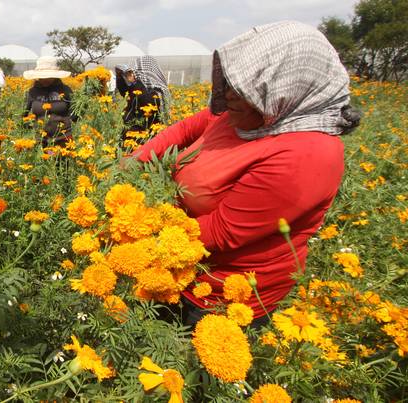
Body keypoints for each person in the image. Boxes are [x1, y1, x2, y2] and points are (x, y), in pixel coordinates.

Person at [131, 21, 360, 327]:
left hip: (222, 295)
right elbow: (187, 127)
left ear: (287, 87)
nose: (229, 95)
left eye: (246, 88)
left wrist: (136, 228)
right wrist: (133, 163)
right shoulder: (245, 116)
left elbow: (222, 231)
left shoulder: (308, 154)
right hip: (177, 258)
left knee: (189, 365)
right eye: (230, 82)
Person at [22, 56, 75, 148]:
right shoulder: (32, 92)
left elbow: (75, 114)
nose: (45, 79)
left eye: (49, 76)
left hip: (63, 139)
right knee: (46, 159)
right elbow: (23, 114)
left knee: (61, 161)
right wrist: (29, 130)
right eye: (43, 77)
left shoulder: (66, 90)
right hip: (41, 140)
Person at [115, 56, 170, 144]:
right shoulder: (136, 84)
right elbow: (124, 92)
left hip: (147, 135)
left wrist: (136, 83)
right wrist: (120, 77)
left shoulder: (157, 88)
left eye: (139, 68)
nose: (136, 71)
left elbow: (149, 104)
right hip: (132, 132)